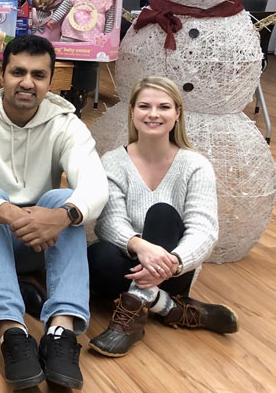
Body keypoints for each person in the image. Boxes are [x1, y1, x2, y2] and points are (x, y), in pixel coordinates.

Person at [0, 35, 108, 390]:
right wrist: (7, 212)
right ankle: (11, 331)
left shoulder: (66, 123)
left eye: (38, 74)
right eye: (18, 72)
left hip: (37, 241)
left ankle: (61, 331)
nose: (27, 82)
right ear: (2, 76)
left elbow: (95, 184)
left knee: (65, 198)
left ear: (49, 80)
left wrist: (64, 216)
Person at [87, 77, 236, 357]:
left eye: (164, 107)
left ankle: (129, 321)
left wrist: (175, 261)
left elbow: (204, 230)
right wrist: (140, 246)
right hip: (129, 261)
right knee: (96, 255)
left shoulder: (195, 165)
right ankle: (171, 308)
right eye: (144, 106)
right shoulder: (113, 161)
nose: (153, 114)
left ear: (177, 113)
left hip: (173, 269)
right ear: (132, 111)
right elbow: (108, 222)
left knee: (162, 213)